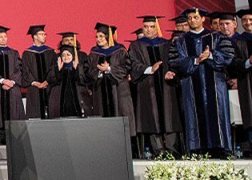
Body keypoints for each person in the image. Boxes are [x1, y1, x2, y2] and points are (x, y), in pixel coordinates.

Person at [169, 8, 233, 156]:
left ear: (203, 19)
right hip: (190, 85)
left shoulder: (217, 37)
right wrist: (196, 60)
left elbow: (228, 56)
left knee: (218, 113)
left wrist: (210, 55)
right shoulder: (180, 41)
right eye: (190, 18)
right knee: (193, 114)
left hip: (216, 84)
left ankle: (221, 147)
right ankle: (196, 148)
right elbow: (174, 61)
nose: (192, 20)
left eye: (196, 17)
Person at [128, 15, 181, 157]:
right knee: (152, 119)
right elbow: (133, 64)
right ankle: (158, 151)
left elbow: (175, 61)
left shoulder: (167, 44)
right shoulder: (135, 46)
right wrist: (150, 69)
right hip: (147, 86)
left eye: (152, 27)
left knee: (169, 117)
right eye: (146, 27)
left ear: (157, 28)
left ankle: (172, 149)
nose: (149, 30)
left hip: (166, 86)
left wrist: (172, 71)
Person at [87, 23, 137, 151]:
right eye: (97, 36)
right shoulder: (94, 53)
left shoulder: (120, 51)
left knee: (120, 114)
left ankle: (125, 149)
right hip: (100, 92)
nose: (98, 39)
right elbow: (89, 71)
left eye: (101, 36)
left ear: (108, 37)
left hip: (119, 90)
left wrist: (108, 69)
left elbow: (126, 68)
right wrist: (99, 72)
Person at [218, 12, 251, 157]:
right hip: (242, 84)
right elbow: (231, 62)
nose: (248, 22)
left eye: (250, 19)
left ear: (234, 25)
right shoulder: (238, 41)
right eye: (245, 20)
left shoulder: (239, 39)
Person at [0, 25, 23, 143]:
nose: (3, 39)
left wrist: (11, 82)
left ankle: (15, 141)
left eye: (5, 36)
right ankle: (0, 141)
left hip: (12, 89)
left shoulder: (14, 53)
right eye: (0, 37)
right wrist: (2, 80)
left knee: (14, 114)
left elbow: (19, 69)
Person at [20, 25, 56, 120]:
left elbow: (53, 68)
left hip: (49, 87)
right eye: (41, 34)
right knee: (35, 116)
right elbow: (25, 70)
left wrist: (47, 81)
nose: (44, 36)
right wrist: (35, 83)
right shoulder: (27, 53)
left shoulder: (50, 52)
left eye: (45, 34)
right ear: (35, 36)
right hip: (34, 89)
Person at [50, 44, 89, 118]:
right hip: (61, 103)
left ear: (73, 56)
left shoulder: (78, 66)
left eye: (68, 55)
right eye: (63, 55)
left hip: (76, 101)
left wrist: (76, 69)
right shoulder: (57, 67)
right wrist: (58, 70)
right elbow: (53, 82)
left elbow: (82, 80)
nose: (65, 57)